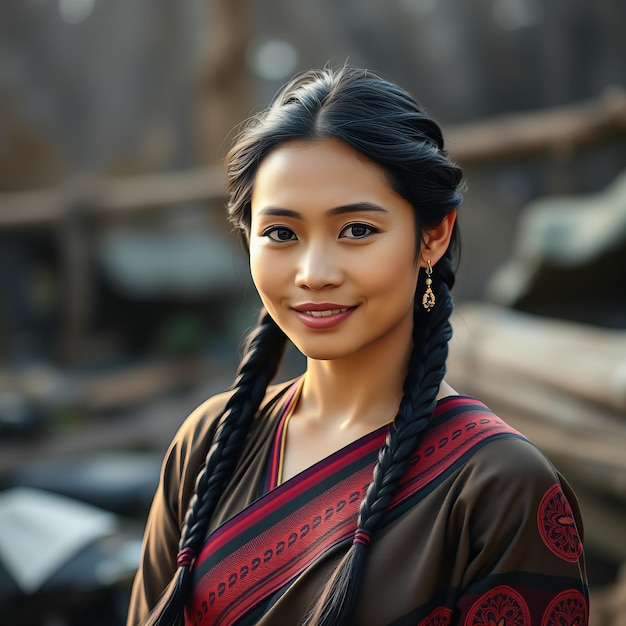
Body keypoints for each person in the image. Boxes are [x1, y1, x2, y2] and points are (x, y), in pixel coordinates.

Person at [127, 65, 589, 626]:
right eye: (281, 233)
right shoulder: (207, 445)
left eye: (356, 230)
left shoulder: (499, 488)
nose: (313, 272)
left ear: (433, 235)